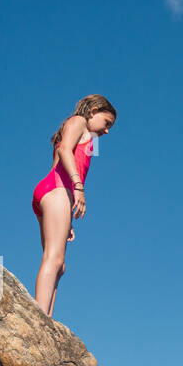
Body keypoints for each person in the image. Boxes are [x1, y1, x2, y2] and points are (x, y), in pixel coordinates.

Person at [31, 95, 116, 317]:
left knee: (59, 265)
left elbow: (59, 160)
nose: (107, 131)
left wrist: (65, 217)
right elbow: (64, 150)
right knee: (54, 258)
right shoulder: (78, 121)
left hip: (54, 193)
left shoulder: (85, 133)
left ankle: (46, 319)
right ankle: (38, 317)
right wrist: (78, 187)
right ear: (93, 111)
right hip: (58, 190)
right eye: (106, 123)